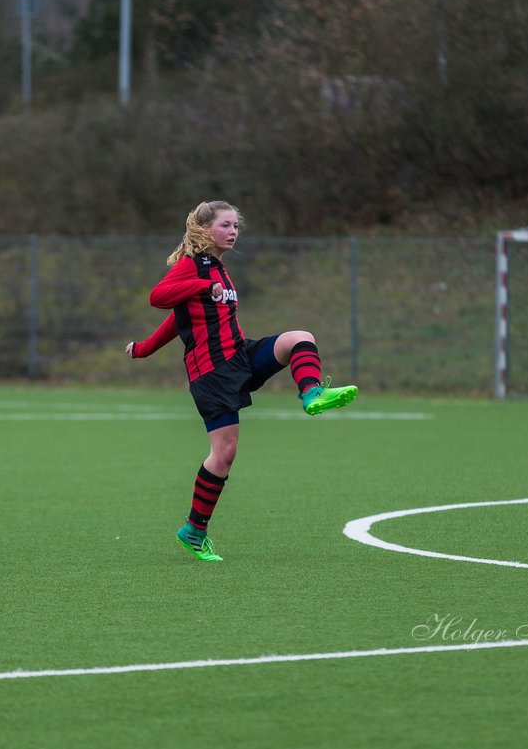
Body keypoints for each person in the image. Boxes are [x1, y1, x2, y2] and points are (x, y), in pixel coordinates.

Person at [126, 200, 358, 561]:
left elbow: (181, 317)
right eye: (225, 225)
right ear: (205, 229)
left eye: (236, 226)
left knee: (300, 338)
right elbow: (159, 298)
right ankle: (194, 531)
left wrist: (145, 347)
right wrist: (144, 349)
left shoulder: (217, 268)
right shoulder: (193, 267)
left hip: (239, 355)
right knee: (225, 454)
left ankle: (312, 393)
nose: (233, 231)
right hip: (211, 372)